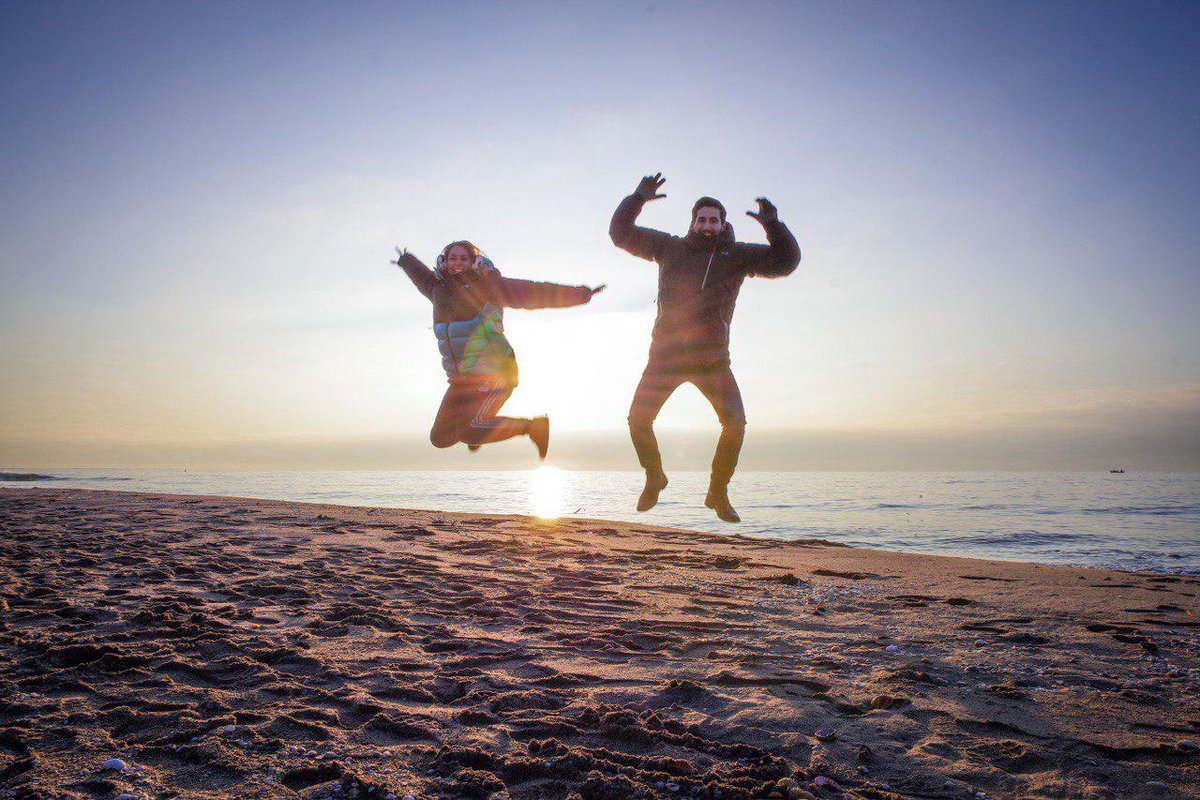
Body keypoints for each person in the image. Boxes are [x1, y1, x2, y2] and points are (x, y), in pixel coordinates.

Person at [609, 173, 801, 522]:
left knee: (735, 424)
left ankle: (718, 490)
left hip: (711, 361)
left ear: (722, 224)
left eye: (714, 220)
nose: (708, 225)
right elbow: (620, 234)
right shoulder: (669, 247)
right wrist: (637, 198)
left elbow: (785, 262)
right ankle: (655, 477)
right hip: (664, 357)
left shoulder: (738, 256)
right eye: (702, 219)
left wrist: (774, 225)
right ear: (693, 222)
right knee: (638, 419)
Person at [393, 240, 603, 458]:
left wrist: (580, 295)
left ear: (473, 261)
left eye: (464, 258)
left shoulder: (488, 286)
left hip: (496, 372)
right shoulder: (438, 288)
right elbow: (420, 275)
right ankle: (481, 428)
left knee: (469, 431)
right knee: (440, 439)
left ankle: (531, 427)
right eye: (453, 258)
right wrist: (405, 259)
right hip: (461, 379)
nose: (458, 263)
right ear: (444, 261)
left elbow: (533, 292)